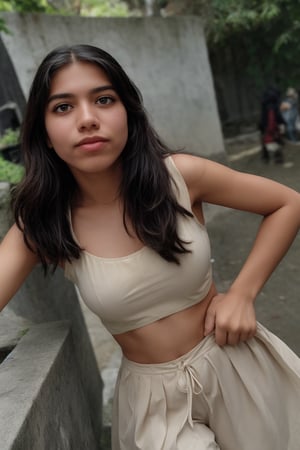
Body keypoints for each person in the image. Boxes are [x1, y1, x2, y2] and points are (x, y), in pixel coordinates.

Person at [0, 44, 300, 450]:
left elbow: (287, 203)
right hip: (154, 405)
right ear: (45, 134)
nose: (88, 119)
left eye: (104, 100)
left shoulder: (180, 176)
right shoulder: (43, 221)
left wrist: (243, 294)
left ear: (128, 114)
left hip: (239, 365)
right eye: (63, 107)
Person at [259, 86, 285, 163]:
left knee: (265, 139)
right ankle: (277, 157)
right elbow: (275, 117)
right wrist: (281, 123)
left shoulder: (264, 102)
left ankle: (266, 157)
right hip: (272, 126)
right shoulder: (273, 104)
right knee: (276, 139)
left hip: (264, 125)